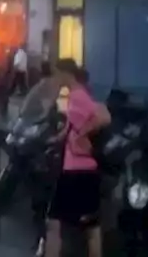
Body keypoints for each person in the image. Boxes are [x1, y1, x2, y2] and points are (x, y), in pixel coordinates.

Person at [45, 59, 109, 257]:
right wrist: (60, 136)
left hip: (77, 169)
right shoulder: (77, 94)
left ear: (67, 74)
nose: (56, 78)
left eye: (57, 74)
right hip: (81, 168)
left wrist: (82, 134)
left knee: (55, 222)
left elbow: (102, 118)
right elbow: (74, 123)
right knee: (90, 224)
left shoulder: (78, 95)